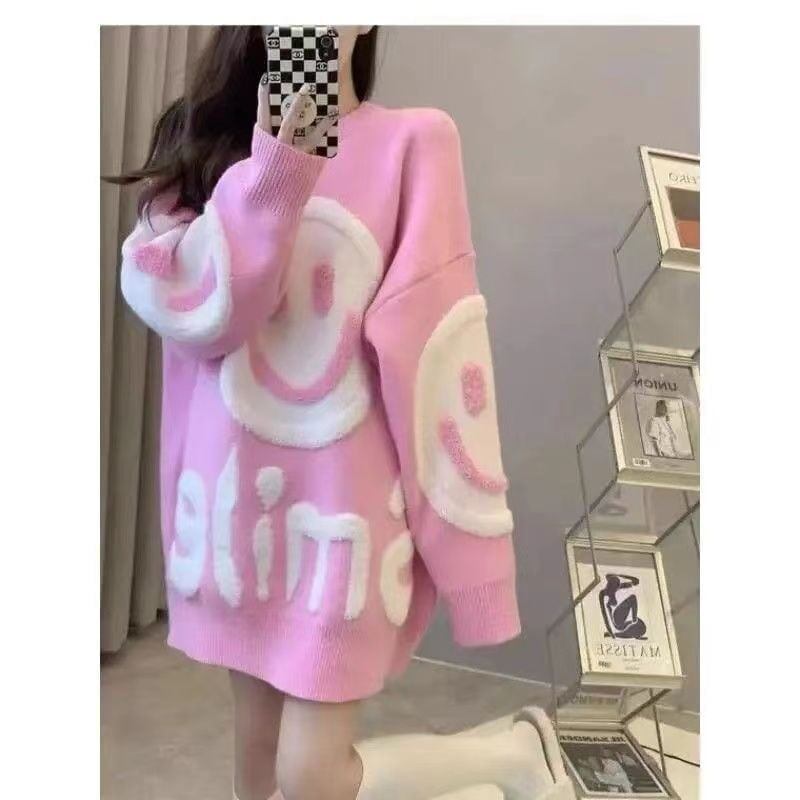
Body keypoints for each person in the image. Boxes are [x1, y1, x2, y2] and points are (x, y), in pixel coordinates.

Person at [107, 25, 573, 800]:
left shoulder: (414, 144)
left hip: (343, 539)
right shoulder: (208, 139)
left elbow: (441, 359)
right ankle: (512, 756)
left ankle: (511, 755)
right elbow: (196, 310)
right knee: (257, 764)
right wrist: (277, 170)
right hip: (237, 531)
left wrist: (475, 567)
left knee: (311, 776)